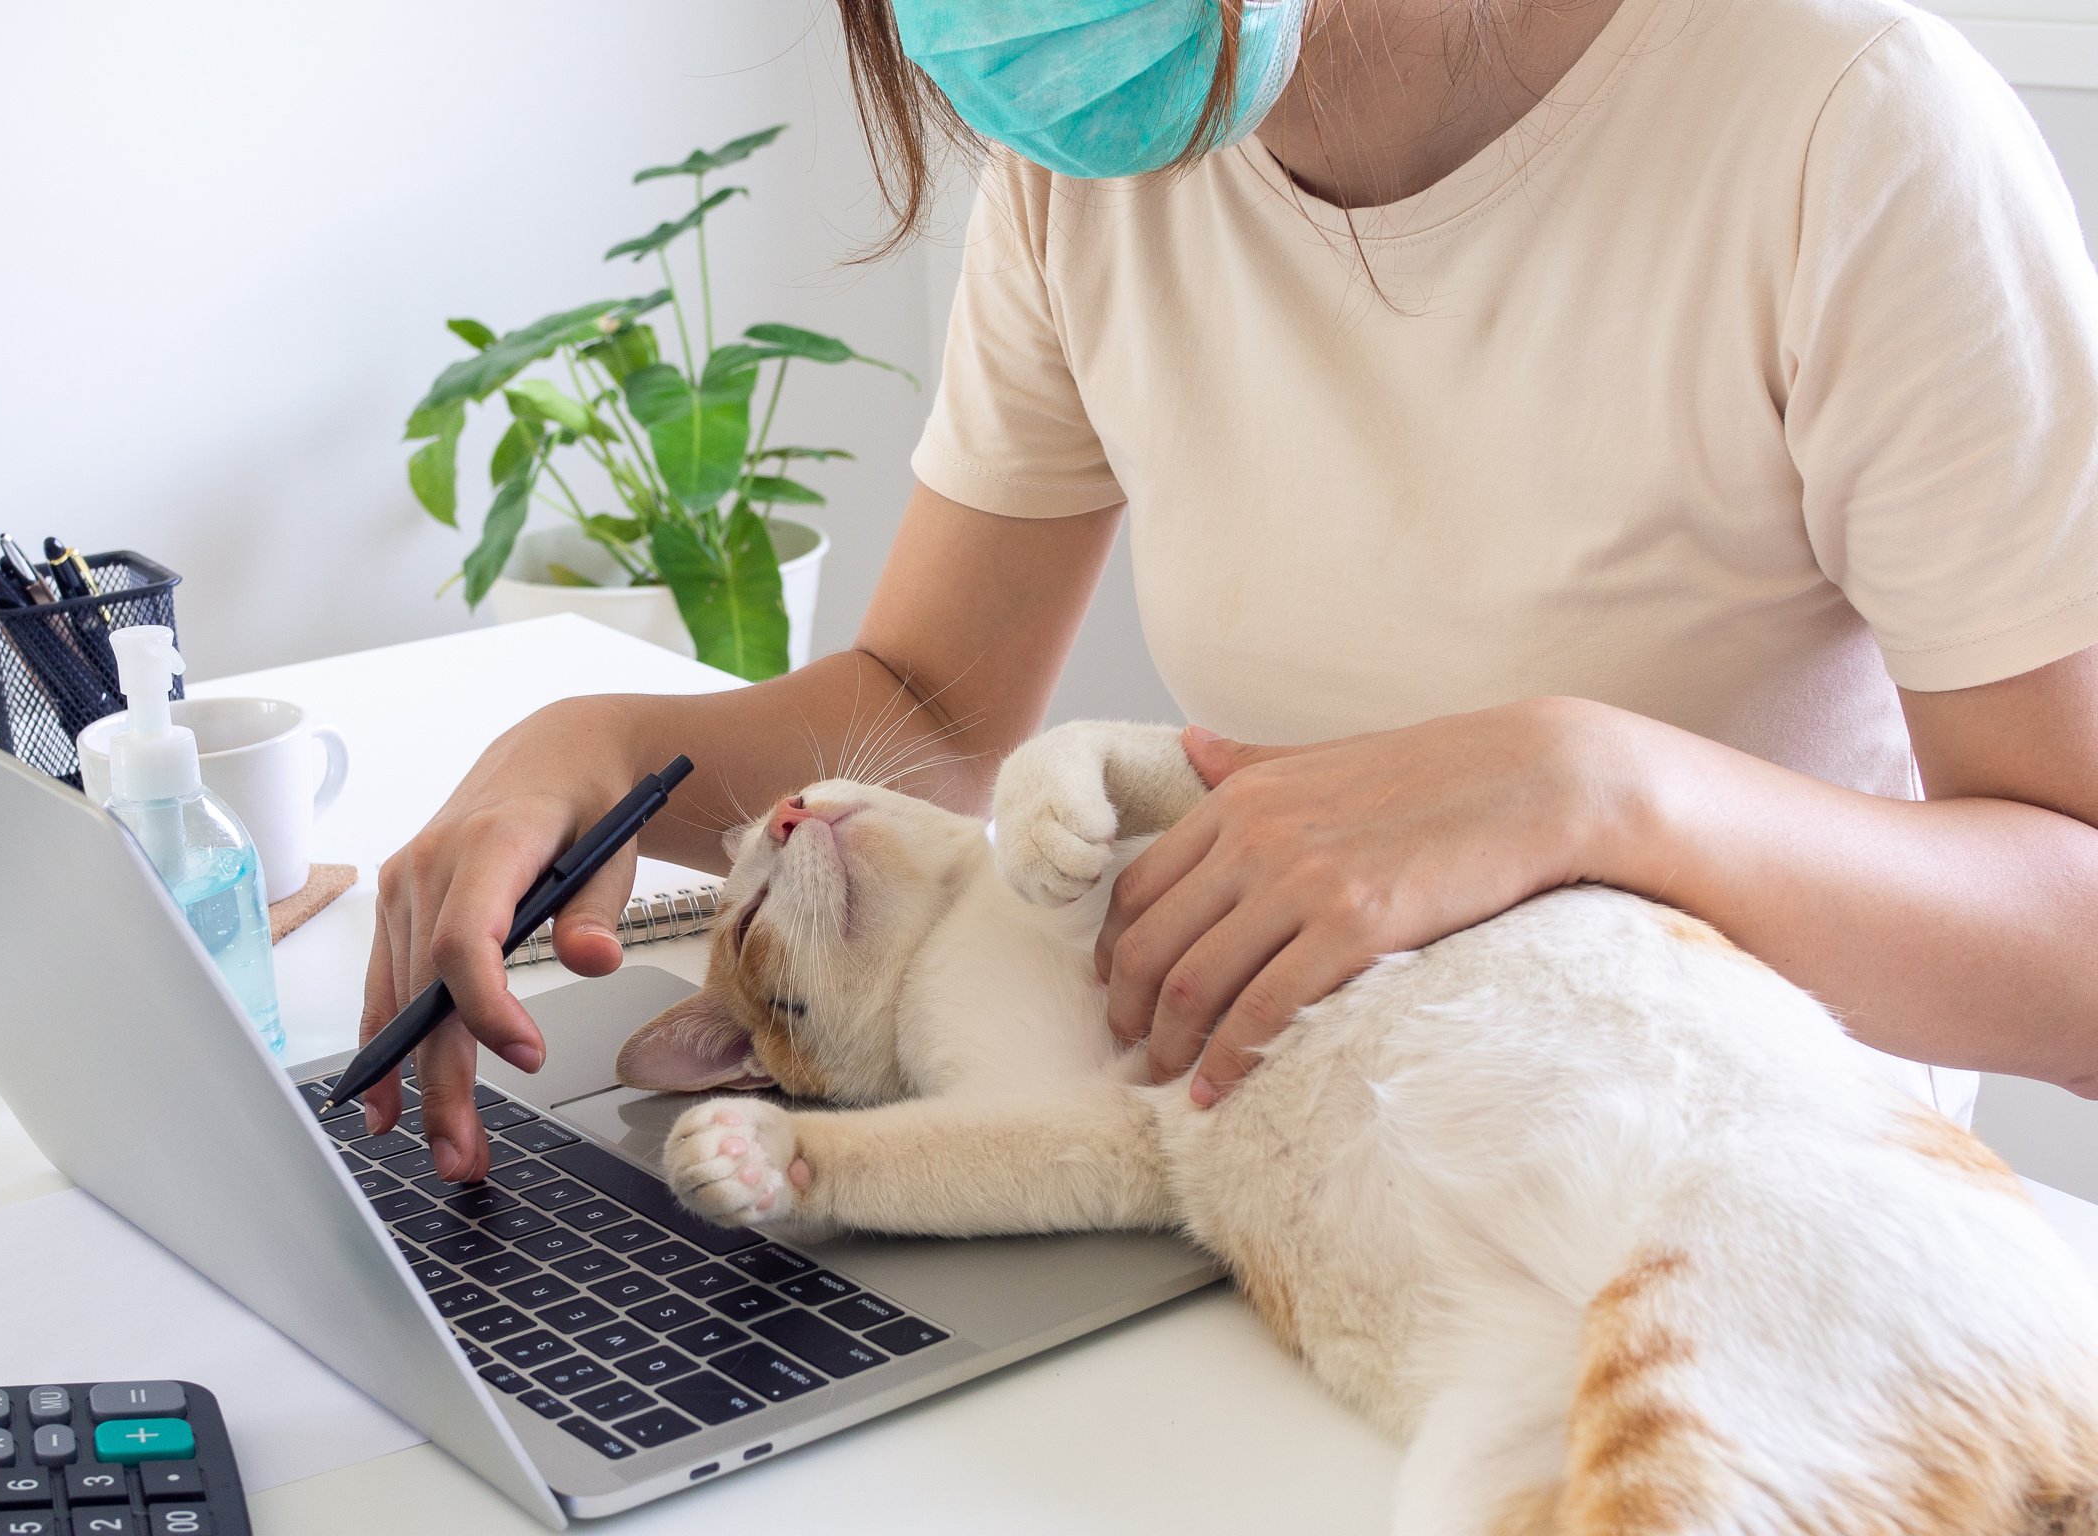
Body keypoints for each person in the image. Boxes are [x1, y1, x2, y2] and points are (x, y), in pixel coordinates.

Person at [363, 0, 2098, 1183]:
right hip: (1282, 1181)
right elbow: (940, 712)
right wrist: (586, 747)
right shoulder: (1095, 145)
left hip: (1718, 1218)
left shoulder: (1842, 123)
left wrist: (1591, 793)